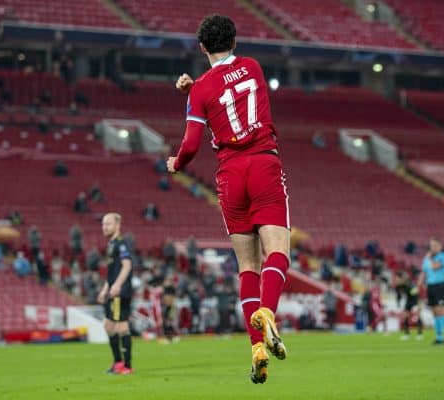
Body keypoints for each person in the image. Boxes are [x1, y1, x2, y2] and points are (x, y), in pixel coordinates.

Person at [167, 14, 290, 384]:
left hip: (230, 175)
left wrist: (177, 162)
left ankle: (256, 348)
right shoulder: (252, 67)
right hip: (264, 163)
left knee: (247, 266)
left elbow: (190, 144)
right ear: (234, 41)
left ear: (202, 46)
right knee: (278, 251)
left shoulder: (201, 90)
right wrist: (198, 87)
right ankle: (268, 313)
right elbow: (231, 88)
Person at [97, 213, 134, 375]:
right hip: (112, 290)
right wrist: (105, 289)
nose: (105, 227)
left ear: (117, 225)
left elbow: (127, 265)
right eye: (104, 224)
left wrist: (117, 285)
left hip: (120, 291)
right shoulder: (111, 244)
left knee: (121, 326)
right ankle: (118, 361)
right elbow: (113, 272)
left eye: (108, 224)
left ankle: (126, 365)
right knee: (108, 325)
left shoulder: (121, 243)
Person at [418, 237, 444, 344]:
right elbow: (424, 272)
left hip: (440, 284)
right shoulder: (426, 258)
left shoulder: (443, 257)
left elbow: (435, 267)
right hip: (430, 285)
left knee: (440, 310)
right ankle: (438, 337)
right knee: (434, 311)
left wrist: (429, 258)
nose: (432, 248)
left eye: (435, 246)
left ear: (440, 246)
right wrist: (419, 283)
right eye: (431, 246)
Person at [395, 271, 423, 340]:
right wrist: (398, 303)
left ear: (401, 278)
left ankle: (420, 333)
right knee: (405, 316)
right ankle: (406, 334)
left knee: (417, 316)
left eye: (397, 278)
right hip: (409, 301)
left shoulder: (410, 284)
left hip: (415, 301)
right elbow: (398, 295)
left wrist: (418, 305)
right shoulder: (398, 286)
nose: (396, 280)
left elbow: (416, 294)